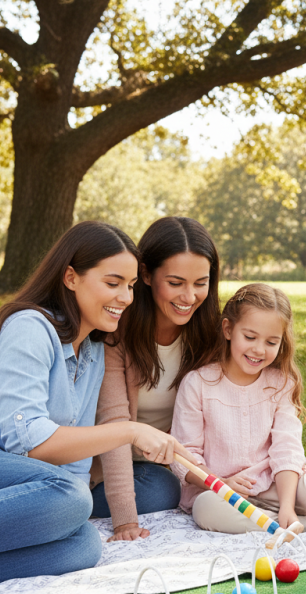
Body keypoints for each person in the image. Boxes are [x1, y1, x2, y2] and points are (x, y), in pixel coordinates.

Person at [0, 222, 194, 587]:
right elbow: (30, 444)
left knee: (82, 545)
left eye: (130, 287)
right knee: (71, 496)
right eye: (112, 283)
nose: (126, 298)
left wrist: (67, 510)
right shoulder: (31, 326)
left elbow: (74, 468)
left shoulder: (94, 351)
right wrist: (129, 431)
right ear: (70, 277)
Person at [171, 283, 306, 534]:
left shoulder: (280, 383)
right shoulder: (198, 383)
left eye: (271, 342)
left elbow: (286, 448)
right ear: (228, 329)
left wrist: (287, 505)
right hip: (217, 491)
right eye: (249, 337)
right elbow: (186, 456)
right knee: (207, 510)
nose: (259, 350)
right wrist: (222, 483)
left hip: (274, 481)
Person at [91, 217, 221, 540]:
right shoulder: (117, 332)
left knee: (167, 486)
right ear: (146, 275)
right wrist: (125, 521)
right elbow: (114, 423)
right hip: (105, 467)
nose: (189, 297)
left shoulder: (212, 335)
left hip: (159, 467)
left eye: (200, 283)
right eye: (175, 283)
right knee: (163, 491)